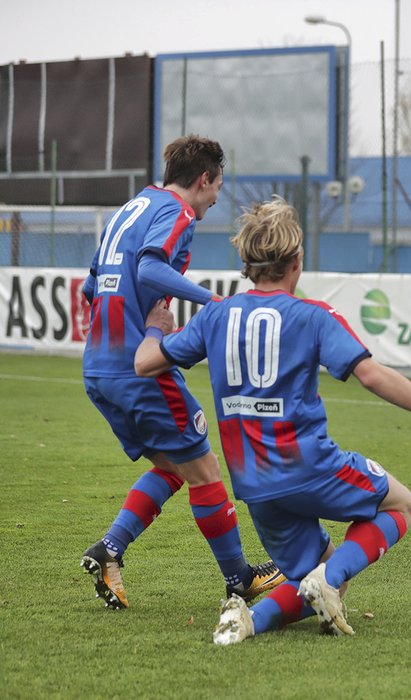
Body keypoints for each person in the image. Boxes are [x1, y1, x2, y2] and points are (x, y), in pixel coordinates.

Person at [134, 196, 411, 645]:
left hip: (253, 483)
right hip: (308, 465)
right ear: (296, 262)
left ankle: (248, 621)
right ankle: (323, 579)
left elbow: (145, 363)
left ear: (247, 264)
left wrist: (156, 325)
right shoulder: (313, 316)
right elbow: (370, 374)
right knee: (400, 505)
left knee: (328, 581)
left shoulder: (216, 315)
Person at [80, 135, 283, 610]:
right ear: (204, 179)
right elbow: (150, 269)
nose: (216, 198)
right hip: (140, 371)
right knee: (205, 468)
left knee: (173, 468)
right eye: (217, 188)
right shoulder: (177, 212)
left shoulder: (131, 208)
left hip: (99, 369)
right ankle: (239, 580)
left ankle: (110, 550)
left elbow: (91, 287)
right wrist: (214, 303)